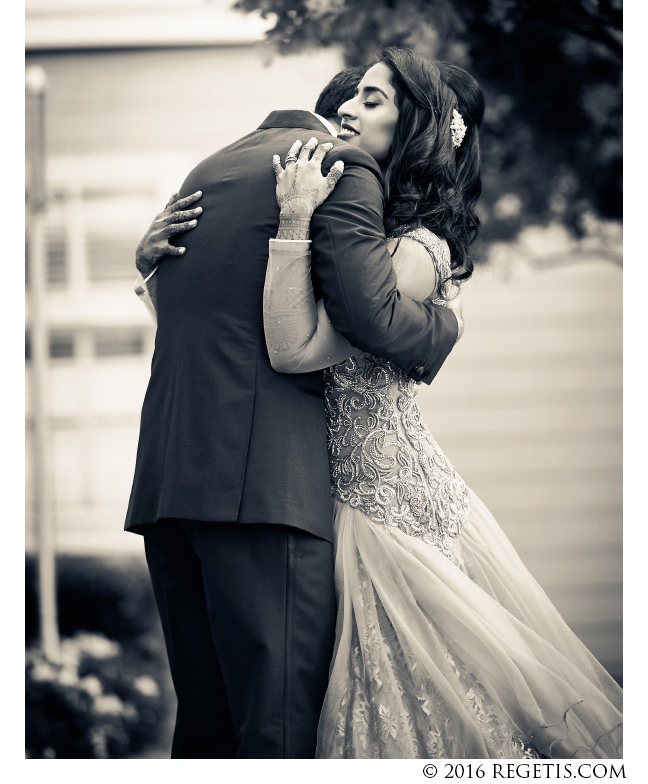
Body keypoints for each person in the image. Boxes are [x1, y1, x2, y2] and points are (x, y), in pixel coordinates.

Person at [261, 45, 623, 759]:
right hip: (333, 495)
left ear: (419, 127)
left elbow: (297, 350)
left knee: (424, 704)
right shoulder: (359, 230)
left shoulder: (421, 250)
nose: (347, 108)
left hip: (386, 505)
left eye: (373, 99)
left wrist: (294, 220)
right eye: (352, 95)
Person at [125, 62, 462, 758]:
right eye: (360, 101)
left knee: (206, 732)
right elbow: (368, 316)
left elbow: (207, 315)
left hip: (169, 485)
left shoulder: (208, 171)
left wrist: (144, 271)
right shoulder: (342, 166)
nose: (359, 119)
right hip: (263, 490)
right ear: (338, 116)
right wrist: (441, 329)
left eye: (379, 102)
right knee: (278, 727)